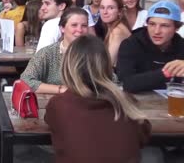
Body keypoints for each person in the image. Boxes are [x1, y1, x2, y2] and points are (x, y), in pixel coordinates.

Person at [45, 35, 151, 163]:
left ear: (68, 66)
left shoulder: (58, 104)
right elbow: (143, 135)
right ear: (106, 66)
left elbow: (52, 122)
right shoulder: (127, 101)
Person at [117, 0, 184, 93]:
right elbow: (127, 83)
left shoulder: (181, 45)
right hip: (137, 103)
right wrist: (166, 72)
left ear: (176, 28)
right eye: (152, 24)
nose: (156, 31)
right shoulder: (131, 44)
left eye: (164, 26)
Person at [20, 8, 89, 93]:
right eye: (74, 25)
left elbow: (108, 81)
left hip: (87, 103)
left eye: (84, 26)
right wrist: (61, 89)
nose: (80, 30)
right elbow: (25, 80)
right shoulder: (48, 53)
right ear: (62, 28)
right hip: (51, 103)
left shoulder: (95, 53)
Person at [99, 0, 131, 66]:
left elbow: (108, 64)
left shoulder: (117, 32)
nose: (105, 12)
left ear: (119, 11)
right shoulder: (114, 26)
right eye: (102, 7)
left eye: (110, 8)